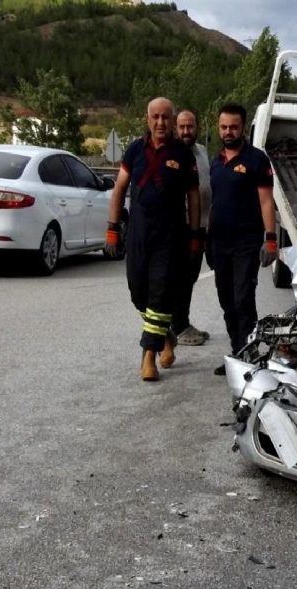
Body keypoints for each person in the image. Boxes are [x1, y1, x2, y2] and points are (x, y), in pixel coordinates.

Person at [106, 97, 201, 382]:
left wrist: (195, 236)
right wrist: (112, 228)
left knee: (160, 293)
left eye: (166, 117)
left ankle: (149, 355)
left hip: (170, 237)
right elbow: (120, 188)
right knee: (138, 292)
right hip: (138, 233)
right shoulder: (134, 149)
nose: (161, 122)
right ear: (148, 119)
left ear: (173, 121)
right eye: (155, 117)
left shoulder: (184, 156)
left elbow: (194, 198)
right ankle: (166, 335)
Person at [208, 102, 277, 376]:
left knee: (242, 300)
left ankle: (250, 359)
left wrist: (270, 238)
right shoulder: (216, 161)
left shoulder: (257, 160)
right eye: (224, 126)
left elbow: (266, 201)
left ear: (243, 128)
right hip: (218, 243)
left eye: (233, 127)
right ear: (218, 127)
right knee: (227, 302)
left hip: (246, 243)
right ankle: (237, 353)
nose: (228, 131)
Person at [171, 109, 213, 346]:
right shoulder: (172, 153)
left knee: (191, 277)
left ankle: (182, 323)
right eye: (182, 127)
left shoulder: (202, 152)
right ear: (175, 128)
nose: (186, 131)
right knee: (180, 278)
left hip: (201, 225)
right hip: (180, 227)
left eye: (190, 126)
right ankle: (177, 328)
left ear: (197, 127)